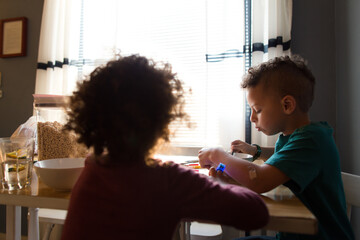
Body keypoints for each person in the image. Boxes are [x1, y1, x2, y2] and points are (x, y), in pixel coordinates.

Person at [60, 54, 269, 240]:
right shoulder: (169, 180)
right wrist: (222, 183)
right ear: (162, 120)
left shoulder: (92, 167)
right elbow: (256, 212)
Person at [198, 55, 354, 240]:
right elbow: (267, 173)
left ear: (287, 105)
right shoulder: (292, 138)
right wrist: (233, 177)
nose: (252, 118)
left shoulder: (311, 140)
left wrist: (217, 154)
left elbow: (259, 179)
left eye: (258, 109)